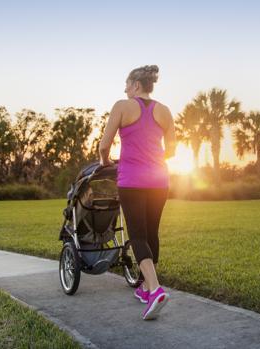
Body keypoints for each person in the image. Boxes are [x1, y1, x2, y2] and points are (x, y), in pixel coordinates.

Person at [99, 65, 176, 320]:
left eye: (126, 84)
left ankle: (155, 290)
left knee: (138, 234)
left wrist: (104, 161)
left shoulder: (122, 105)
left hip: (131, 180)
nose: (124, 88)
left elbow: (104, 145)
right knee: (151, 233)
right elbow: (172, 150)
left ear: (135, 85)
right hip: (159, 180)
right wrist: (151, 159)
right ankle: (144, 287)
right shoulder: (164, 111)